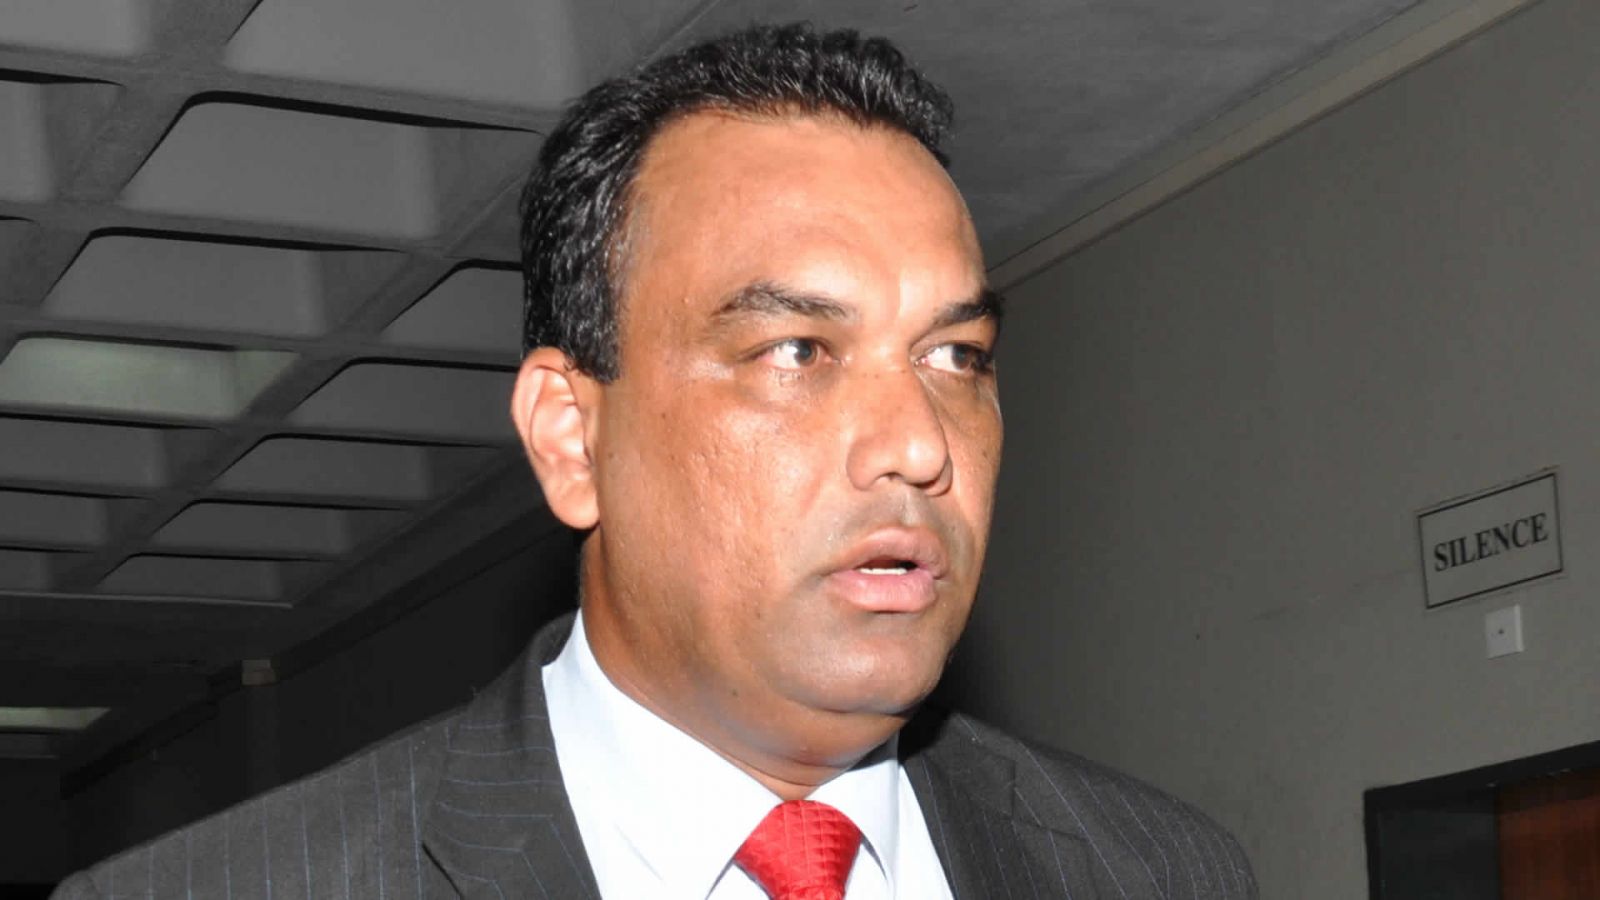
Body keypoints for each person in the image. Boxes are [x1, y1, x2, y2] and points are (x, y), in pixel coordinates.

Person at [53, 24, 1256, 899]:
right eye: (796, 351)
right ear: (571, 438)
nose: (918, 444)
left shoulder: (1156, 868)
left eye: (955, 356)